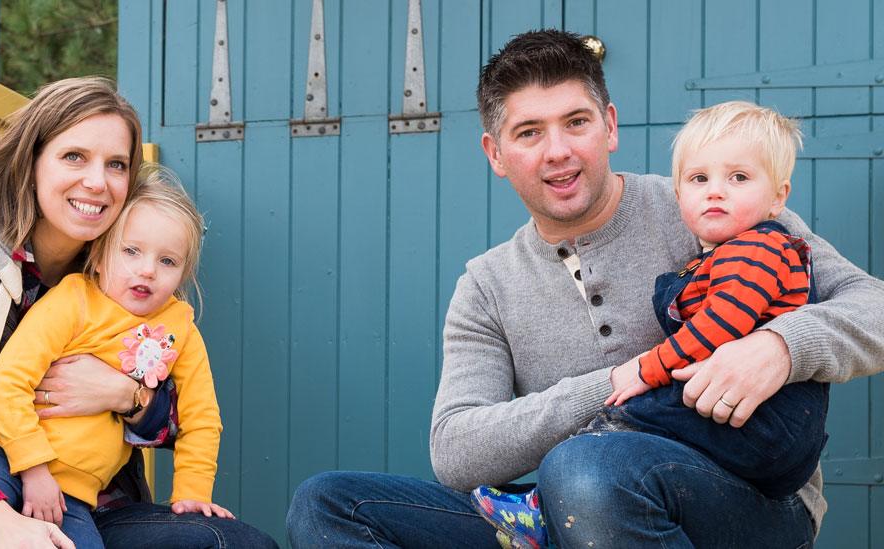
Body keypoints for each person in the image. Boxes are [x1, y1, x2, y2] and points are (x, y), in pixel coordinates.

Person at [285, 30, 884, 548]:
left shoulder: (709, 205)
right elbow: (457, 451)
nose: (559, 152)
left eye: (576, 122)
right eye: (528, 132)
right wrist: (613, 386)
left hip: (750, 505)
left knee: (585, 471)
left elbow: (873, 310)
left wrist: (780, 347)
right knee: (329, 504)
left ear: (610, 126)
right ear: (496, 153)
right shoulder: (487, 286)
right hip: (564, 511)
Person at [0, 77, 276, 549]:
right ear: (33, 159)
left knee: (236, 543)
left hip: (85, 498)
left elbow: (185, 419)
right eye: (74, 157)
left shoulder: (126, 265)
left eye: (116, 164)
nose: (97, 182)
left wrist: (125, 395)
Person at [471, 101, 830, 549]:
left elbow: (718, 328)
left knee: (614, 433)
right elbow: (454, 450)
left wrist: (646, 371)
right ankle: (548, 508)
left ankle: (545, 508)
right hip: (716, 444)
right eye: (700, 179)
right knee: (356, 501)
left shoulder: (757, 246)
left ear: (778, 196)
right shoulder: (484, 282)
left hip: (763, 427)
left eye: (739, 178)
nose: (717, 191)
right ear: (679, 195)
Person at [0, 169, 226, 548]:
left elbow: (202, 418)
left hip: (75, 493)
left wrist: (192, 491)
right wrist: (33, 469)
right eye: (131, 251)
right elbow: (9, 379)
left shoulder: (181, 330)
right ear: (98, 257)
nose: (148, 269)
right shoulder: (73, 299)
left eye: (168, 261)